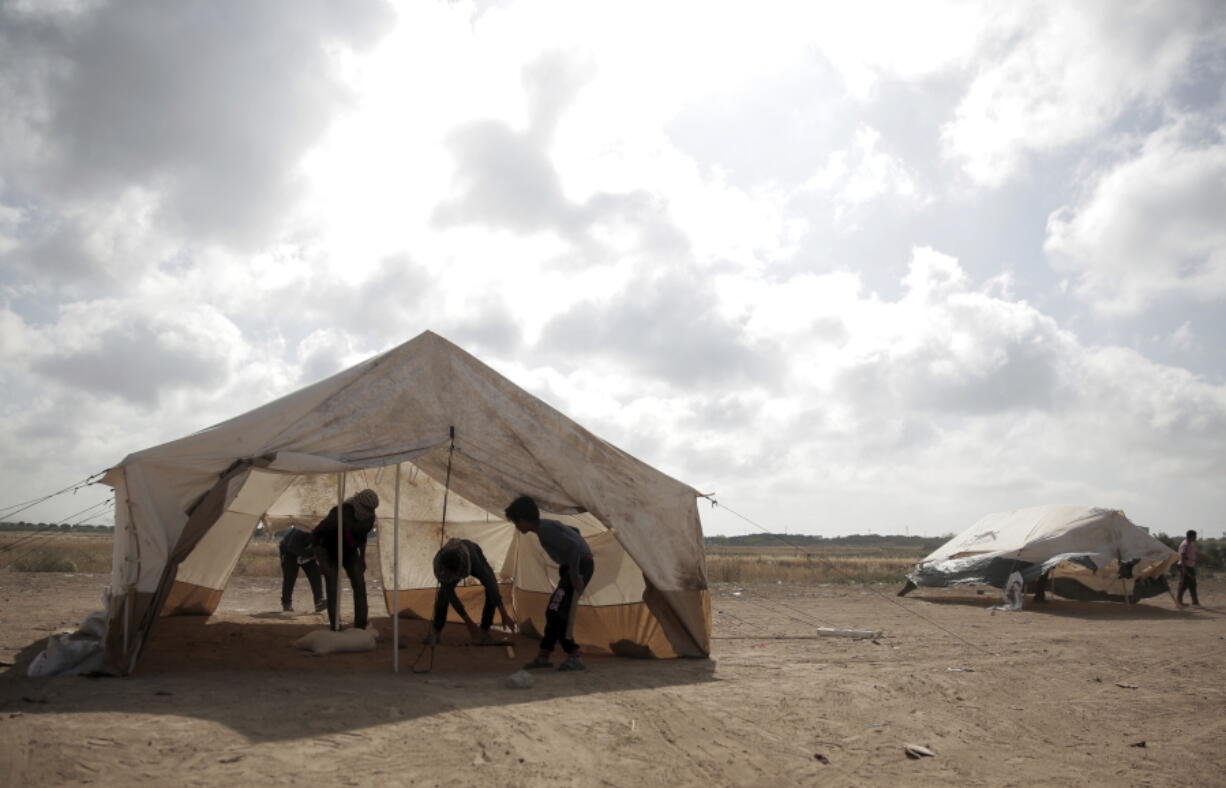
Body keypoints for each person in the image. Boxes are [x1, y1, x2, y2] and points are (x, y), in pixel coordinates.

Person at [504, 495, 594, 672]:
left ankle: (574, 656)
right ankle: (543, 656)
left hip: (578, 567)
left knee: (557, 613)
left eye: (516, 522)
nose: (516, 527)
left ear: (522, 519)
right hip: (575, 566)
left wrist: (575, 574)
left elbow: (574, 548)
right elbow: (574, 531)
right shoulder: (547, 525)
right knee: (554, 612)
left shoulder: (545, 530)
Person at [424, 538, 516, 645]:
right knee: (443, 595)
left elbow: (491, 585)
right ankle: (436, 632)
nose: (456, 578)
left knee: (492, 589)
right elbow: (451, 596)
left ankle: (484, 632)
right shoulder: (439, 566)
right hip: (453, 566)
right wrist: (470, 624)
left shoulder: (474, 560)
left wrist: (503, 613)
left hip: (473, 556)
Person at [312, 488, 379, 630]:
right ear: (359, 503)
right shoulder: (339, 513)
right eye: (367, 508)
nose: (369, 512)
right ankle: (335, 626)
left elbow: (362, 538)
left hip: (349, 552)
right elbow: (316, 536)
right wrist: (322, 563)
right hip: (328, 551)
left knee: (359, 584)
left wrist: (362, 559)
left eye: (372, 509)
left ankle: (360, 625)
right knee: (333, 588)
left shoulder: (370, 518)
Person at [278, 524, 325, 613]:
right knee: (290, 578)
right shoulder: (301, 531)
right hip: (289, 553)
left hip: (307, 554)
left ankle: (319, 602)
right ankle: (286, 603)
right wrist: (309, 555)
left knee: (315, 575)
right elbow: (292, 546)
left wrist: (321, 564)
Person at [1177, 529, 1199, 607]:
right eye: (1195, 536)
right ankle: (1179, 602)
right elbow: (1182, 556)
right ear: (1191, 536)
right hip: (1185, 566)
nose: (1196, 537)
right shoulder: (1185, 544)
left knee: (1192, 584)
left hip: (1190, 566)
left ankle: (1195, 602)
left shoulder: (1190, 544)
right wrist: (1184, 569)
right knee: (1183, 584)